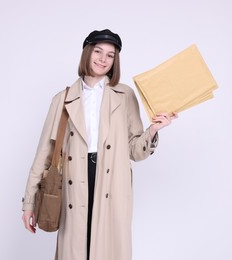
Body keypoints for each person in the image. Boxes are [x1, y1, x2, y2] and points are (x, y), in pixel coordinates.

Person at [22, 29, 178, 260]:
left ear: (115, 61)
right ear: (87, 53)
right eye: (98, 51)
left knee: (108, 249)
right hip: (75, 179)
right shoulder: (62, 99)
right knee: (77, 248)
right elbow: (44, 154)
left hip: (113, 182)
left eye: (110, 55)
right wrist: (28, 204)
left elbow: (135, 150)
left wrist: (153, 130)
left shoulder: (125, 95)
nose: (103, 59)